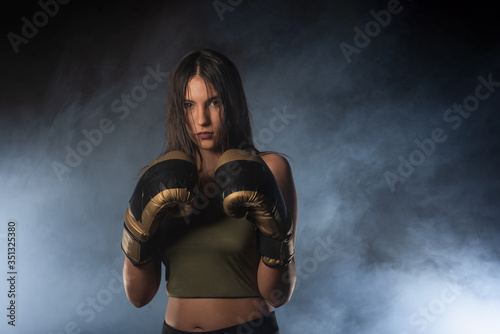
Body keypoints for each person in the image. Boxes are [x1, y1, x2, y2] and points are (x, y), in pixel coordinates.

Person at [121, 49, 297, 334]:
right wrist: (137, 236)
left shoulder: (270, 169)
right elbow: (138, 297)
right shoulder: (161, 178)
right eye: (189, 105)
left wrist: (276, 236)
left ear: (233, 104)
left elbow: (277, 294)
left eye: (214, 102)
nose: (201, 119)